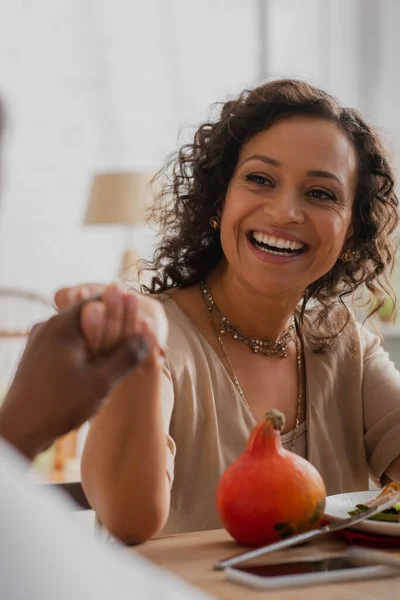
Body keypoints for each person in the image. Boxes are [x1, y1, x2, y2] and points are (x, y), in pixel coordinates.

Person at [57, 78, 400, 545]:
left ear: (351, 234)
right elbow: (126, 519)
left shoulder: (346, 344)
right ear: (220, 201)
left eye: (320, 193)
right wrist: (134, 359)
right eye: (260, 179)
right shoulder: (152, 338)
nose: (284, 212)